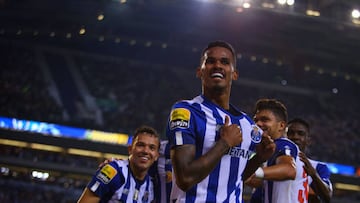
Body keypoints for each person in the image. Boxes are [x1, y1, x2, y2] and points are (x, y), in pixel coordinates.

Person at [166, 40, 276, 202]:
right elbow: (185, 178)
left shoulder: (247, 125)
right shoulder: (186, 112)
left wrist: (259, 158)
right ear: (200, 72)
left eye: (225, 62)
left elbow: (238, 178)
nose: (217, 65)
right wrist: (224, 143)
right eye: (210, 61)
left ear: (234, 74)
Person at [77, 125, 160, 203]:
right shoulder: (113, 171)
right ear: (130, 149)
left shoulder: (154, 185)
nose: (145, 151)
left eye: (152, 148)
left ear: (157, 155)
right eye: (140, 145)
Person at [248, 98, 308, 203]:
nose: (258, 124)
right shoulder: (269, 149)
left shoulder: (283, 144)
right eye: (256, 120)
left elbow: (289, 170)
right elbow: (260, 182)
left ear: (281, 125)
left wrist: (252, 172)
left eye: (264, 120)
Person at [287, 118, 333, 203]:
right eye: (290, 133)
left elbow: (327, 196)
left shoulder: (318, 167)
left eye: (300, 134)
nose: (295, 137)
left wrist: (313, 174)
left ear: (308, 140)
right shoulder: (272, 161)